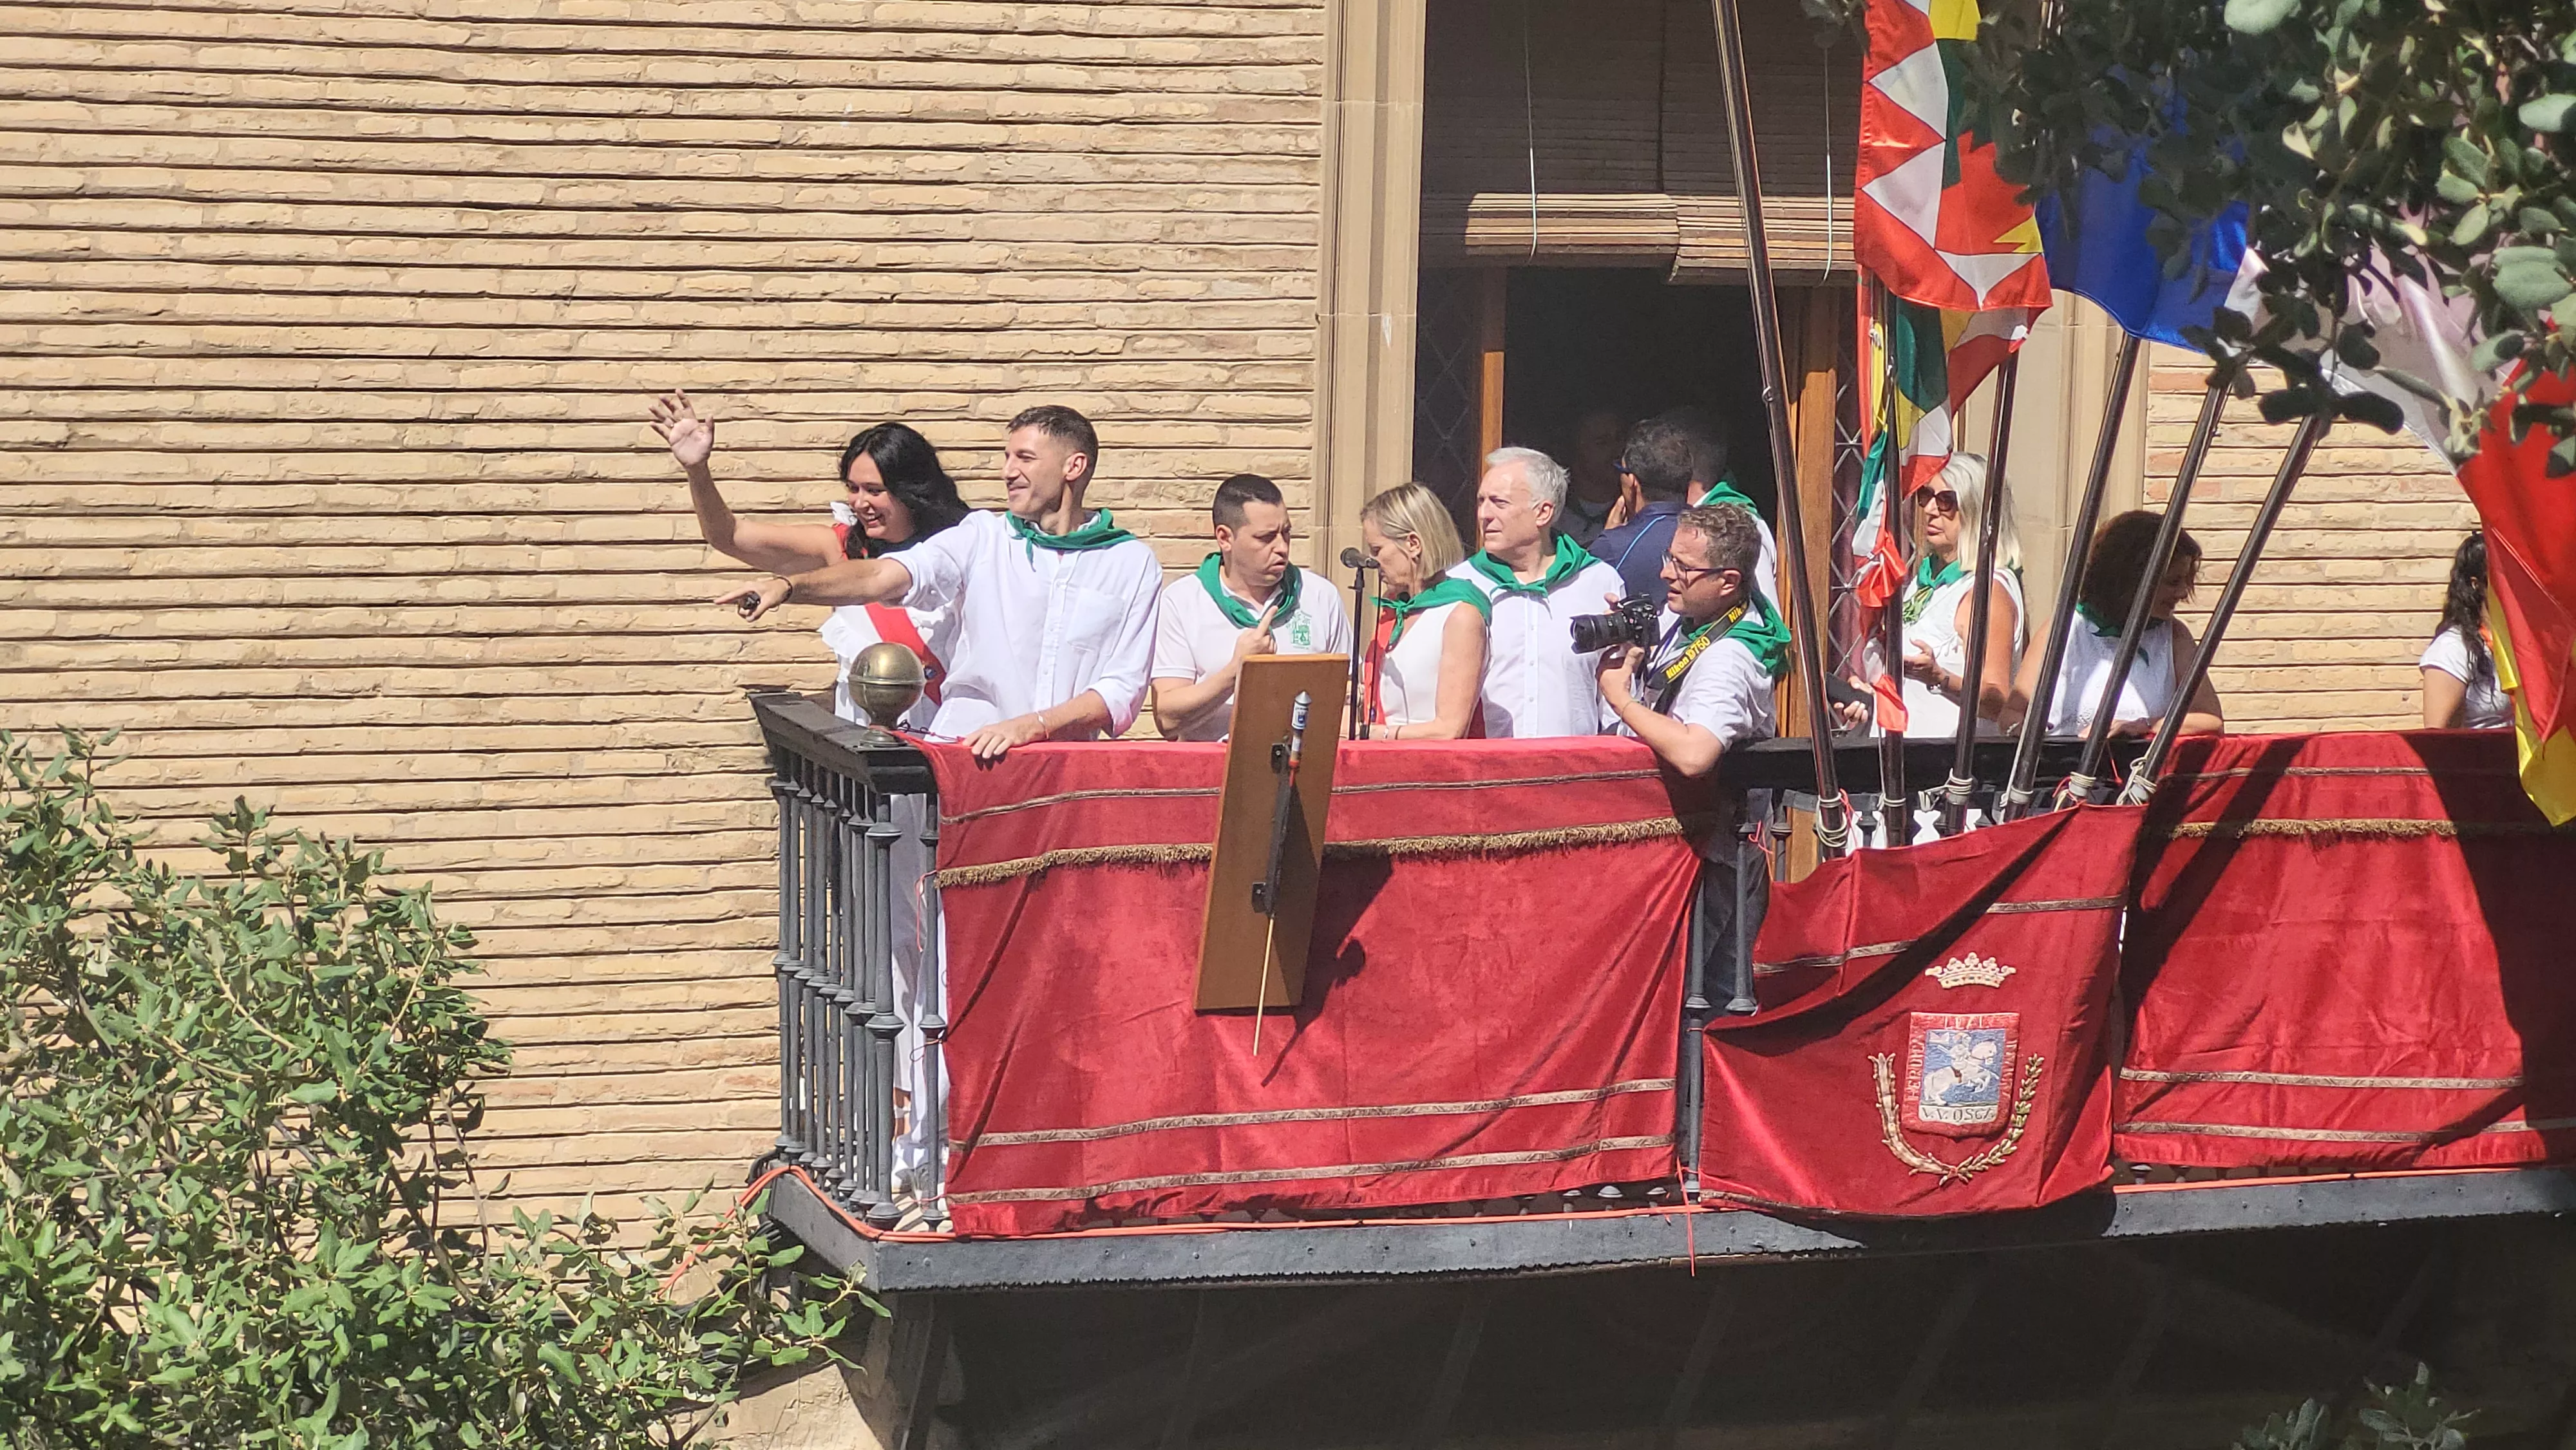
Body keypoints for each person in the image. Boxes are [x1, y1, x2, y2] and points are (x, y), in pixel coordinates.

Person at [716, 405, 1161, 762]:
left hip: (1063, 771)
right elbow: (882, 575)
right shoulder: (983, 536)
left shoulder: (1131, 562)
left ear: (1073, 466)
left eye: (1024, 458)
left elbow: (1121, 688)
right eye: (1007, 457)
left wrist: (1032, 726)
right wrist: (790, 586)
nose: (1008, 471)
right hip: (967, 760)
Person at [650, 393, 972, 729]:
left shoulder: (965, 546)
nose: (860, 503)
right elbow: (729, 536)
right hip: (868, 746)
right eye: (853, 488)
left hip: (953, 735)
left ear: (913, 491)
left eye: (874, 491)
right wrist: (697, 471)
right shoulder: (841, 546)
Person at [1150, 473, 1353, 740]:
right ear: (1225, 538)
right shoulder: (1183, 601)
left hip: (1302, 769)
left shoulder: (1320, 596)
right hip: (1213, 772)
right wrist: (1237, 671)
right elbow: (1167, 718)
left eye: (1286, 533)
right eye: (1266, 537)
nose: (1282, 547)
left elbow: (1349, 699)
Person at [1598, 504, 1788, 777]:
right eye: (1669, 558)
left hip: (1707, 817)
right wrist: (1629, 637)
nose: (1666, 574)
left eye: (1684, 567)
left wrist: (1621, 699)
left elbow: (1695, 755)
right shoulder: (1692, 615)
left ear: (1727, 582)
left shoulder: (1729, 658)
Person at [1450, 447, 1627, 738]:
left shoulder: (1599, 582)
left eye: (1499, 503)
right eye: (1481, 501)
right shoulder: (1459, 587)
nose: (1484, 515)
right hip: (1483, 773)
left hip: (1572, 772)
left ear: (1543, 512)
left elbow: (1614, 696)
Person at [2009, 508, 2222, 739]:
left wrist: (2143, 727)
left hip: (2137, 770)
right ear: (2131, 577)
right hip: (2060, 770)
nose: (2182, 593)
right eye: (2172, 582)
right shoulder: (2064, 629)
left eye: (2185, 582)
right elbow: (2013, 712)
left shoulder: (2174, 636)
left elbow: (2209, 719)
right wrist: (2023, 732)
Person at [1886, 453, 2024, 739]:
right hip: (1904, 760)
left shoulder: (1987, 592)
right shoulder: (1926, 581)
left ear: (1975, 509)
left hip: (1950, 768)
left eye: (1946, 501)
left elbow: (1997, 700)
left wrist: (1939, 678)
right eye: (1925, 496)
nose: (1930, 510)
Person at [1357, 482, 1489, 739]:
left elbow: (1449, 730)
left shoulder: (1461, 614)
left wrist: (1368, 734)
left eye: (1377, 550)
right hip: (1386, 766)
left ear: (1413, 544)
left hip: (1436, 770)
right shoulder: (1395, 609)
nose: (1373, 562)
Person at [1592, 415, 1697, 603]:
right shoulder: (1715, 534)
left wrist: (1609, 540)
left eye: (1620, 469)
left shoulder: (1612, 547)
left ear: (1632, 482)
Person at [2421, 531, 2512, 730]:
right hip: (2483, 758)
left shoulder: (2526, 643)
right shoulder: (2453, 648)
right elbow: (2437, 738)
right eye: (2505, 577)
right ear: (2477, 585)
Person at [1558, 405, 1631, 547]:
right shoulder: (1553, 510)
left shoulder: (1634, 510)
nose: (1617, 450)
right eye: (1602, 443)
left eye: (1619, 439)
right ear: (1576, 449)